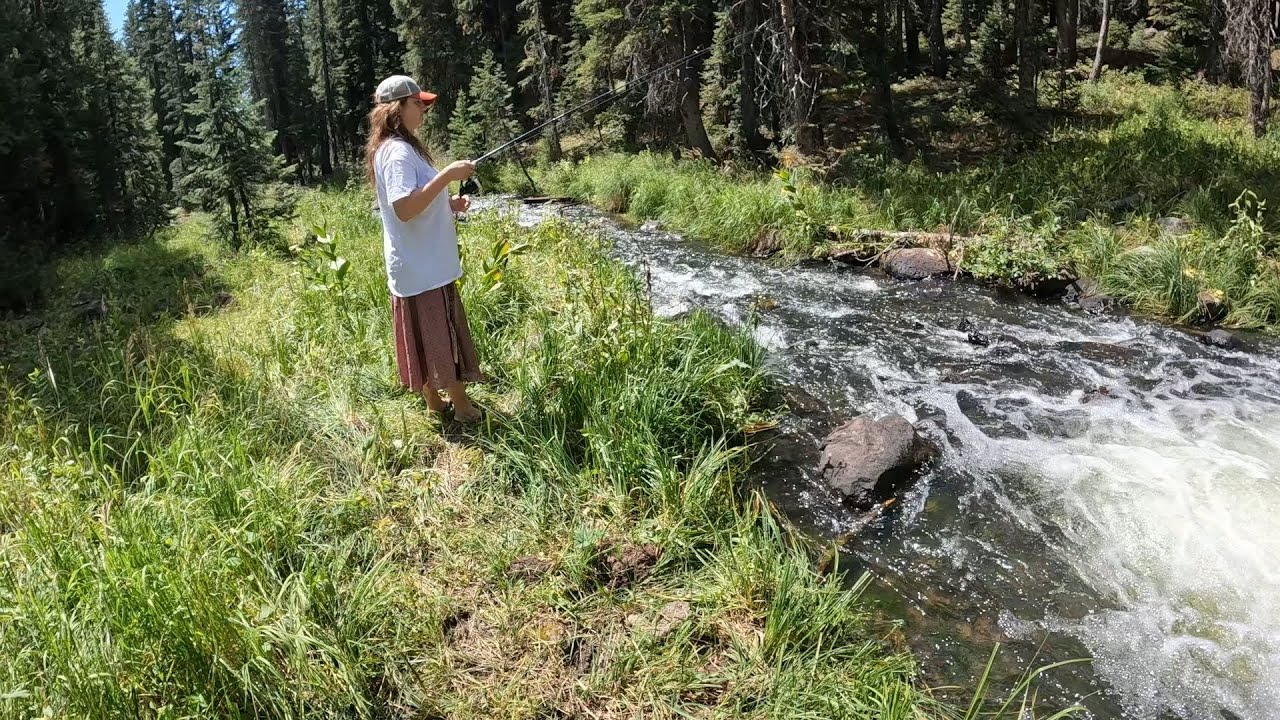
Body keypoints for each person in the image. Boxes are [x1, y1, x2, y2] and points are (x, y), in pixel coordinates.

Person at [365, 74, 482, 422]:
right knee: (439, 333)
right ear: (396, 109)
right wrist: (446, 175)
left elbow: (415, 201)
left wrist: (447, 204)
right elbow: (403, 208)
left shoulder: (397, 148)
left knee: (421, 335)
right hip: (424, 268)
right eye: (417, 103)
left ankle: (434, 403)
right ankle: (461, 408)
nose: (424, 110)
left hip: (417, 266)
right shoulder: (398, 152)